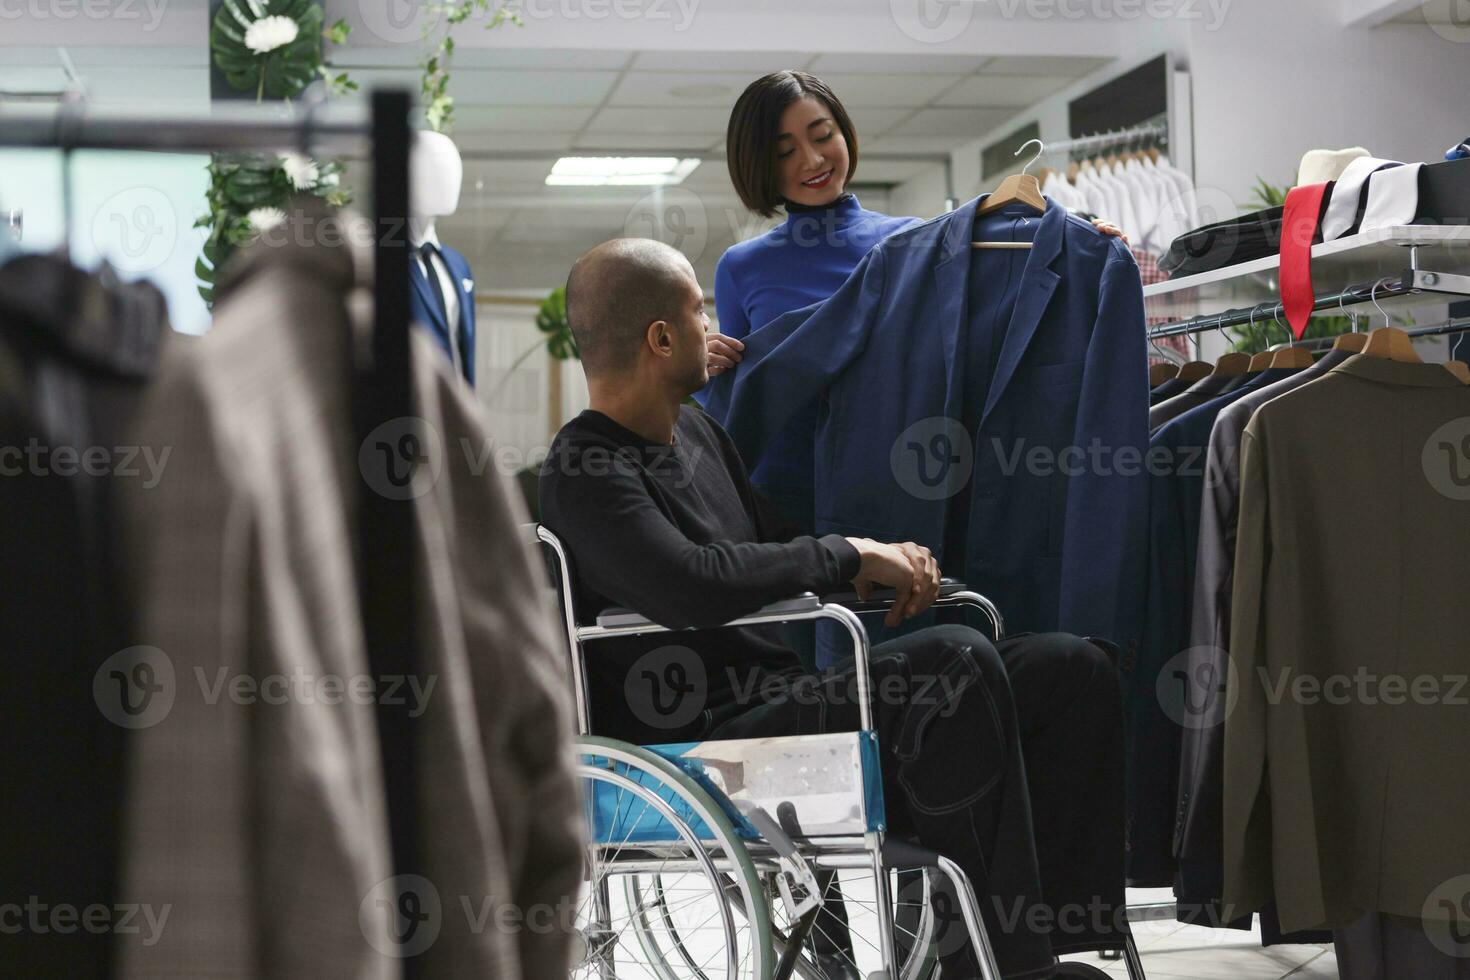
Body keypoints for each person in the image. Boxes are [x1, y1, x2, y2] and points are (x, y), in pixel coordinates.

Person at [539, 237, 1129, 980]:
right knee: (951, 665)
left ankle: (1049, 941)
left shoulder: (698, 434)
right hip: (700, 745)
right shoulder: (586, 466)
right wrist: (849, 554)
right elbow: (688, 583)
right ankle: (1001, 969)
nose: (710, 324)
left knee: (1070, 667)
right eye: (698, 311)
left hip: (775, 707)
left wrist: (885, 560)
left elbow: (778, 543)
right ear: (661, 339)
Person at [701, 70, 1127, 534]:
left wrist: (1088, 248)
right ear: (758, 163)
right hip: (784, 499)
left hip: (896, 487)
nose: (813, 158)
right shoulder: (741, 267)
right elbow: (735, 403)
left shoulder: (916, 242)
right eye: (785, 152)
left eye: (823, 135)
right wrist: (704, 366)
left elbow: (998, 305)